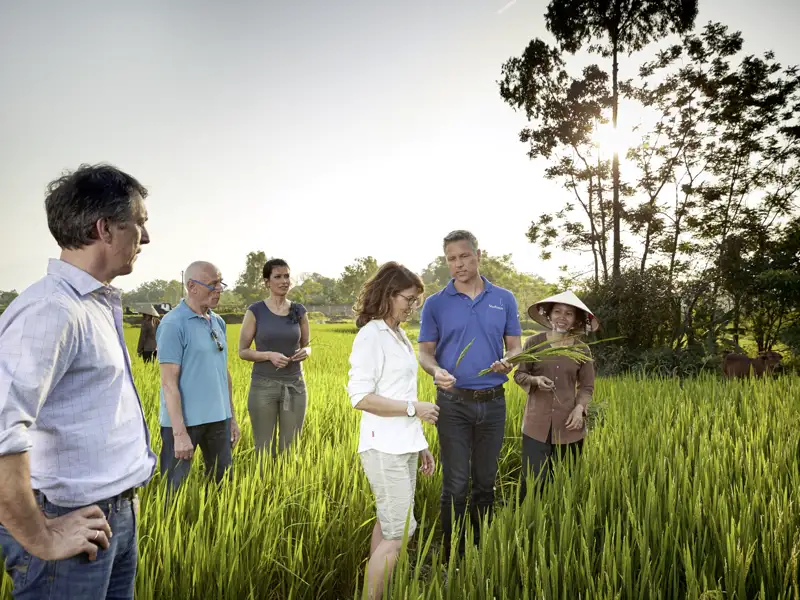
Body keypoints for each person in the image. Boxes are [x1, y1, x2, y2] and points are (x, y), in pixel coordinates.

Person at [0, 163, 157, 599]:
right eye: (139, 224)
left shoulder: (93, 304)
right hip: (67, 520)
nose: (146, 238)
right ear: (105, 229)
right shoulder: (52, 310)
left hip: (113, 516)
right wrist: (41, 536)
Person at [417, 230, 522, 562]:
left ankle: (482, 550)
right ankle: (453, 556)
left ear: (479, 254)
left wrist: (510, 361)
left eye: (464, 256)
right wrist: (435, 371)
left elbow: (516, 347)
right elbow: (425, 353)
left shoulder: (503, 298)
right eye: (451, 259)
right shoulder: (435, 304)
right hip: (453, 404)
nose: (458, 264)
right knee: (456, 484)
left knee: (485, 484)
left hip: (493, 403)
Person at [346, 261, 440, 600]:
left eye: (416, 300)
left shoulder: (397, 334)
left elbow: (400, 395)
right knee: (400, 534)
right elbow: (360, 397)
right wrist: (415, 408)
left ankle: (374, 589)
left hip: (403, 445)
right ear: (388, 294)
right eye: (408, 298)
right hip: (383, 448)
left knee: (389, 524)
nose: (412, 306)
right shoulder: (371, 335)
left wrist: (421, 444)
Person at [156, 261, 241, 498]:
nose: (219, 289)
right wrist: (179, 433)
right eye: (212, 284)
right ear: (192, 286)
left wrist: (231, 417)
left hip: (219, 420)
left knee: (222, 488)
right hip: (185, 423)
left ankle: (218, 533)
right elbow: (168, 382)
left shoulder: (218, 322)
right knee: (174, 491)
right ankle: (172, 535)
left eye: (220, 283)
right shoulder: (173, 324)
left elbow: (224, 373)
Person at [513, 291, 597, 500]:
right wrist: (535, 380)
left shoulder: (582, 349)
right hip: (536, 425)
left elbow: (587, 386)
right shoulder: (534, 342)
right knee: (532, 482)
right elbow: (519, 375)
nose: (562, 317)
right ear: (548, 315)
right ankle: (526, 522)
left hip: (569, 424)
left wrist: (580, 409)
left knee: (564, 483)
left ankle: (558, 524)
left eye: (569, 313)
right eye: (557, 311)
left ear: (575, 320)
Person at [238, 259, 310, 462]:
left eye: (287, 276)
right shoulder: (255, 311)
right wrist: (269, 355)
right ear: (267, 282)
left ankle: (286, 488)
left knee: (290, 449)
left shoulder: (299, 310)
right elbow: (242, 351)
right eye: (278, 276)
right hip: (263, 386)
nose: (284, 281)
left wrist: (306, 352)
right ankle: (263, 490)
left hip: (295, 386)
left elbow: (306, 344)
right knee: (263, 449)